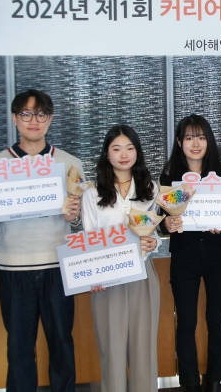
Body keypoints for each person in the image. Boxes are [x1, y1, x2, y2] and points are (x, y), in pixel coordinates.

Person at [0, 89, 82, 392]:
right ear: (14, 118)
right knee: (19, 349)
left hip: (58, 266)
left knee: (62, 344)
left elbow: (81, 220)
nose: (34, 120)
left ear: (50, 119)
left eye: (41, 114)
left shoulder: (70, 163)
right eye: (26, 114)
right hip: (14, 268)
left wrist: (74, 215)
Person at [81, 125, 161, 392]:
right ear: (107, 153)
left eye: (129, 148)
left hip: (142, 274)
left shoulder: (151, 189)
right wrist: (92, 275)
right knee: (111, 351)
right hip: (107, 279)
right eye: (116, 149)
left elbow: (155, 230)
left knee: (144, 349)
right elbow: (89, 236)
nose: (123, 154)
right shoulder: (92, 193)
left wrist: (154, 242)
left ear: (137, 152)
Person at [159, 115, 221, 392]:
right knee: (186, 322)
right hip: (184, 257)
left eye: (201, 137)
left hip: (217, 255)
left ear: (208, 140)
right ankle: (189, 382)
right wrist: (167, 224)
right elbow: (162, 219)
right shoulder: (170, 177)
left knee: (217, 320)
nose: (196, 143)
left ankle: (214, 379)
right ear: (180, 142)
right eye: (189, 138)